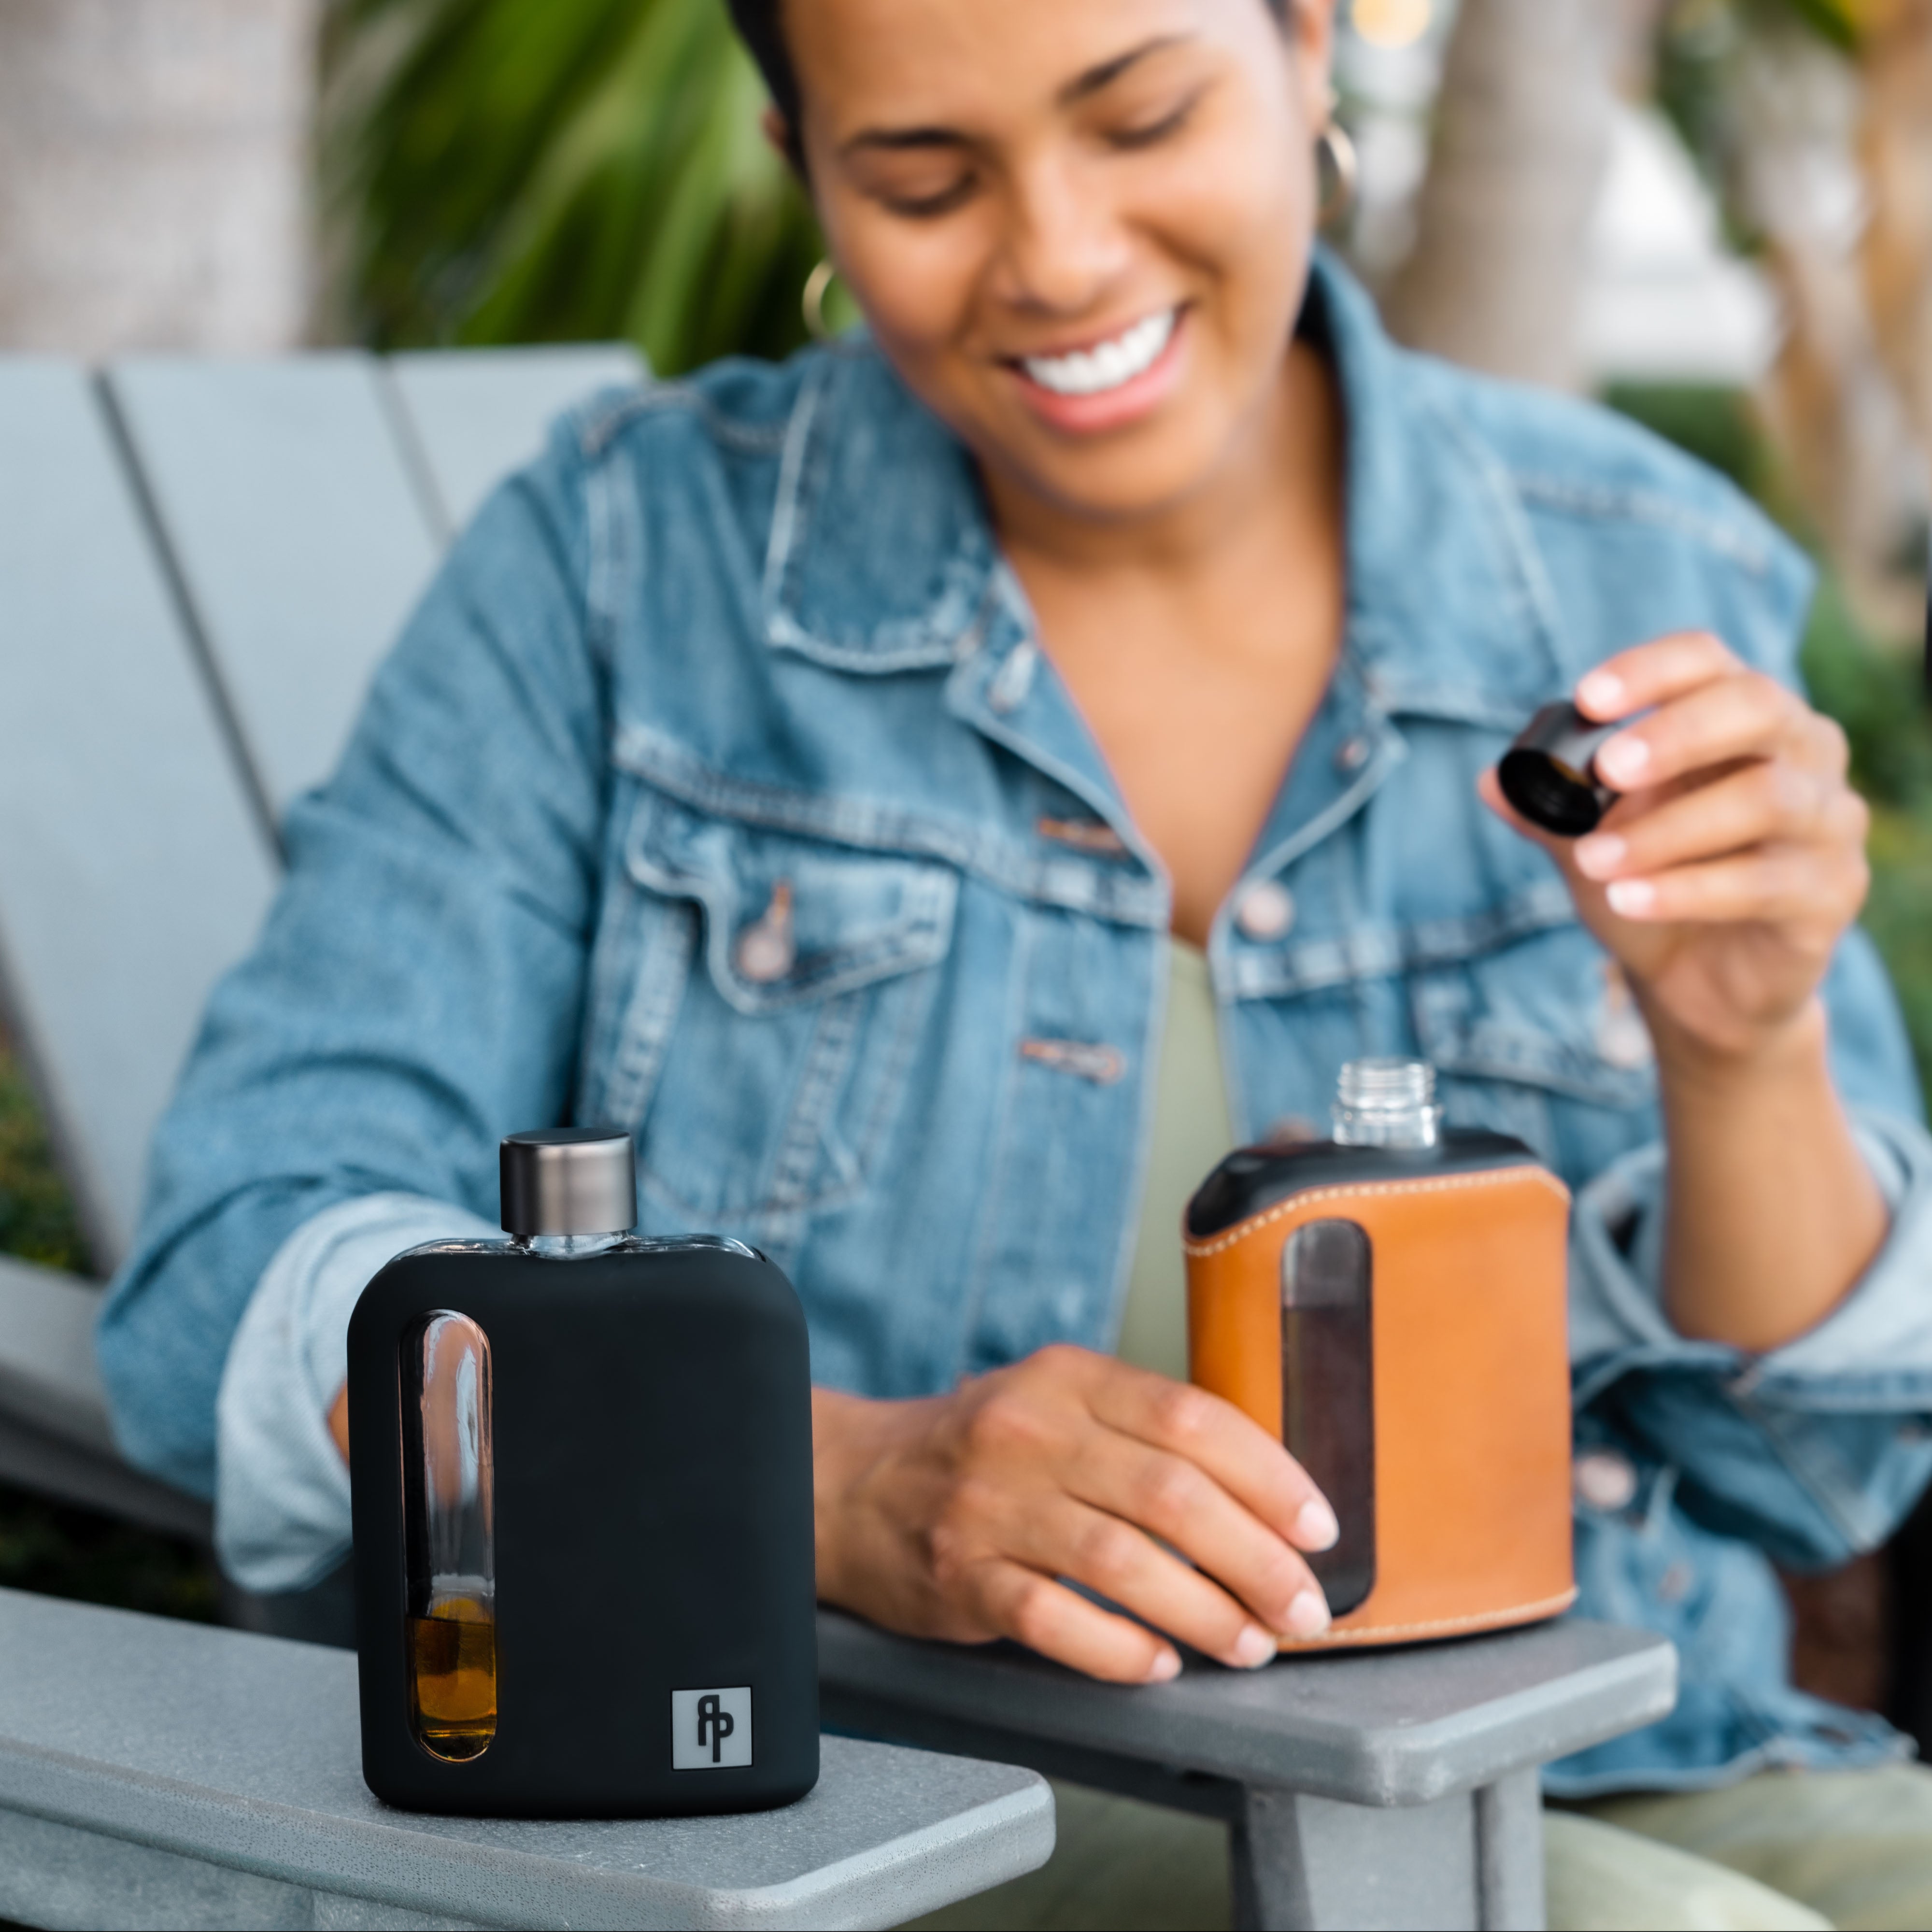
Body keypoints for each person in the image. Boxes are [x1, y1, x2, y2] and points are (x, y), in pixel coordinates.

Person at [96, 0, 1932, 1924]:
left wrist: (1743, 1051)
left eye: (1142, 119)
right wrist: (827, 1487)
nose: (1056, 255)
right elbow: (231, 1267)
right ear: (806, 168)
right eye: (923, 179)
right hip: (878, 1791)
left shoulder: (1636, 563)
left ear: (1310, 48)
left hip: (1612, 1756)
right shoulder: (625, 568)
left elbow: (1812, 1478)